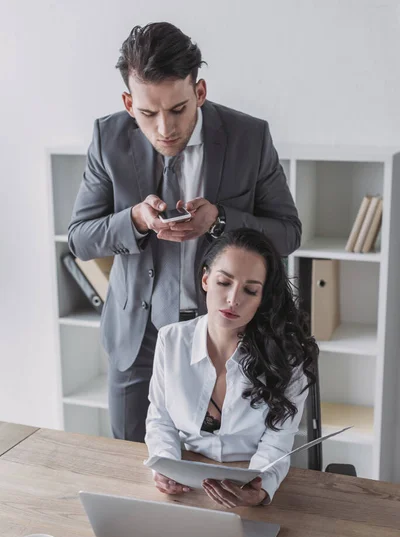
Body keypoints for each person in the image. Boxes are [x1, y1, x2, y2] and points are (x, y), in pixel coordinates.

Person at [68, 22, 302, 443]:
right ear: (127, 102)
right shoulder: (107, 139)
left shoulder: (250, 138)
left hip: (228, 337)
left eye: (177, 110)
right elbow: (80, 238)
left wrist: (221, 220)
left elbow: (288, 234)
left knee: (224, 470)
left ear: (200, 92)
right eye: (147, 113)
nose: (164, 129)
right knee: (135, 467)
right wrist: (135, 221)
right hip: (137, 342)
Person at [146, 228, 318, 507]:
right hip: (188, 485)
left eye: (250, 290)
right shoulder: (171, 340)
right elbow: (160, 419)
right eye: (224, 282)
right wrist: (165, 467)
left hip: (250, 482)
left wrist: (260, 488)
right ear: (205, 279)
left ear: (263, 298)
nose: (233, 299)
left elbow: (279, 440)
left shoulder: (287, 358)